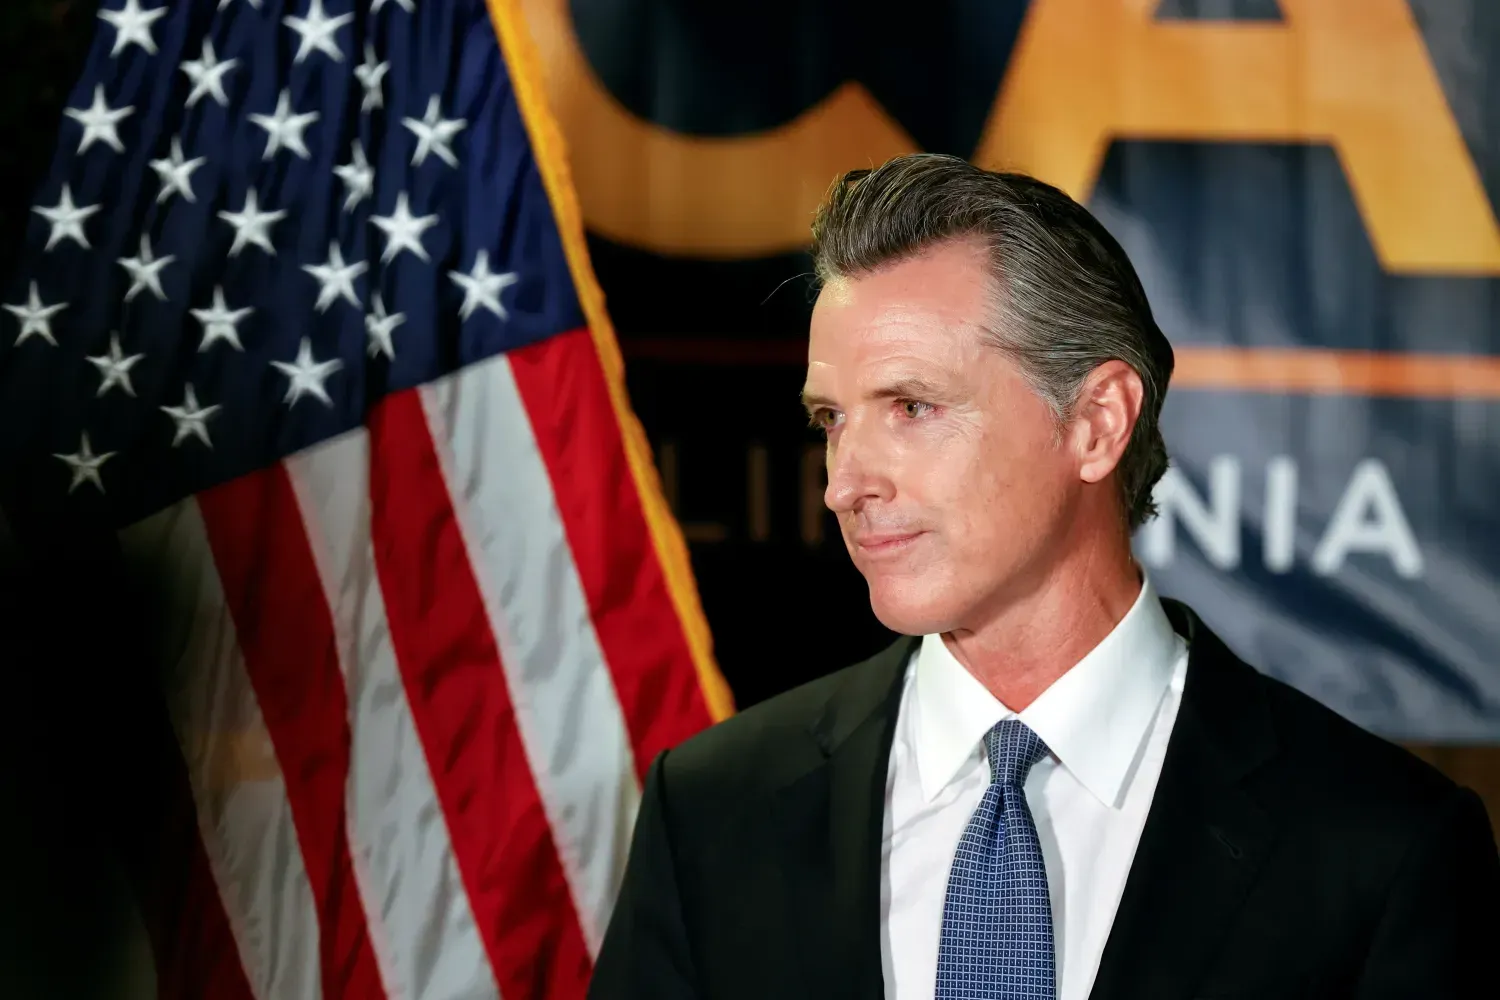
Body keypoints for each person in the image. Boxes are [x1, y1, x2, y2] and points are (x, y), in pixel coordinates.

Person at [586, 153, 1500, 1000]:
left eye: (911, 406)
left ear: (1097, 423)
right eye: (832, 419)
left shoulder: (1379, 849)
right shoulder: (711, 814)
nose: (845, 484)